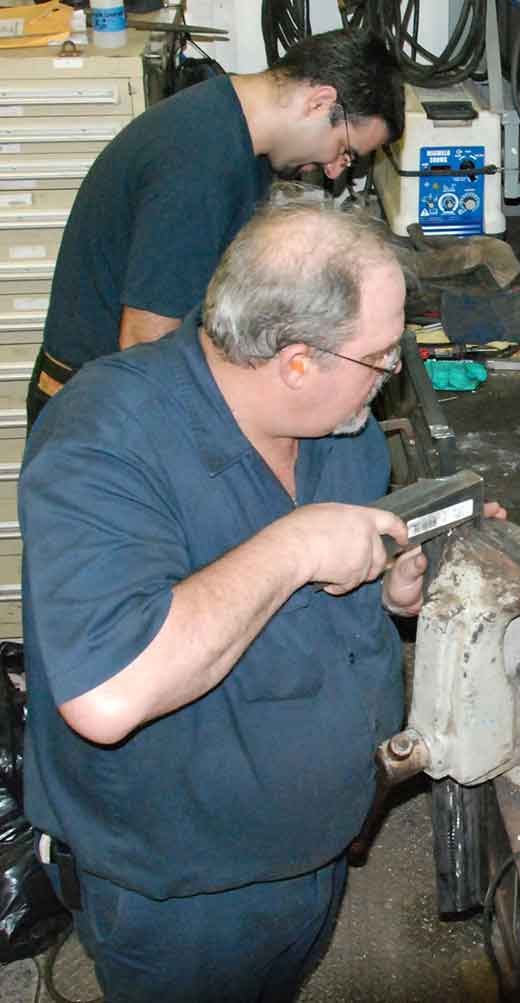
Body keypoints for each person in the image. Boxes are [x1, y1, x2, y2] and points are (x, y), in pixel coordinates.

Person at [20, 201, 432, 1002]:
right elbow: (107, 692)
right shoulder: (100, 437)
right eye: (380, 357)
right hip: (186, 899)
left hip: (317, 845)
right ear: (297, 360)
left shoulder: (341, 430)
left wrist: (393, 592)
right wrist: (298, 543)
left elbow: (317, 605)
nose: (390, 379)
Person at [26, 28, 405, 429]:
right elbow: (145, 340)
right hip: (98, 418)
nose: (334, 169)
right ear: (320, 102)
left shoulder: (232, 127)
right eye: (345, 151)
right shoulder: (199, 161)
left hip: (122, 394)